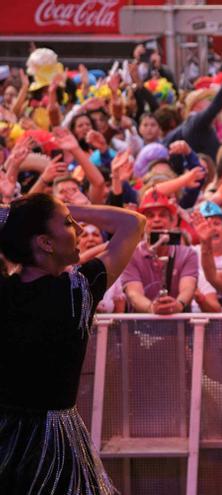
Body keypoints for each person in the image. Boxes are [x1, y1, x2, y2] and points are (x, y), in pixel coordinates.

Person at [0, 194, 145, 493]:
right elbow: (133, 222)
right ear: (45, 243)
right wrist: (58, 206)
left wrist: (34, 211)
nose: (78, 228)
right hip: (55, 444)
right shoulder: (76, 291)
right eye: (68, 223)